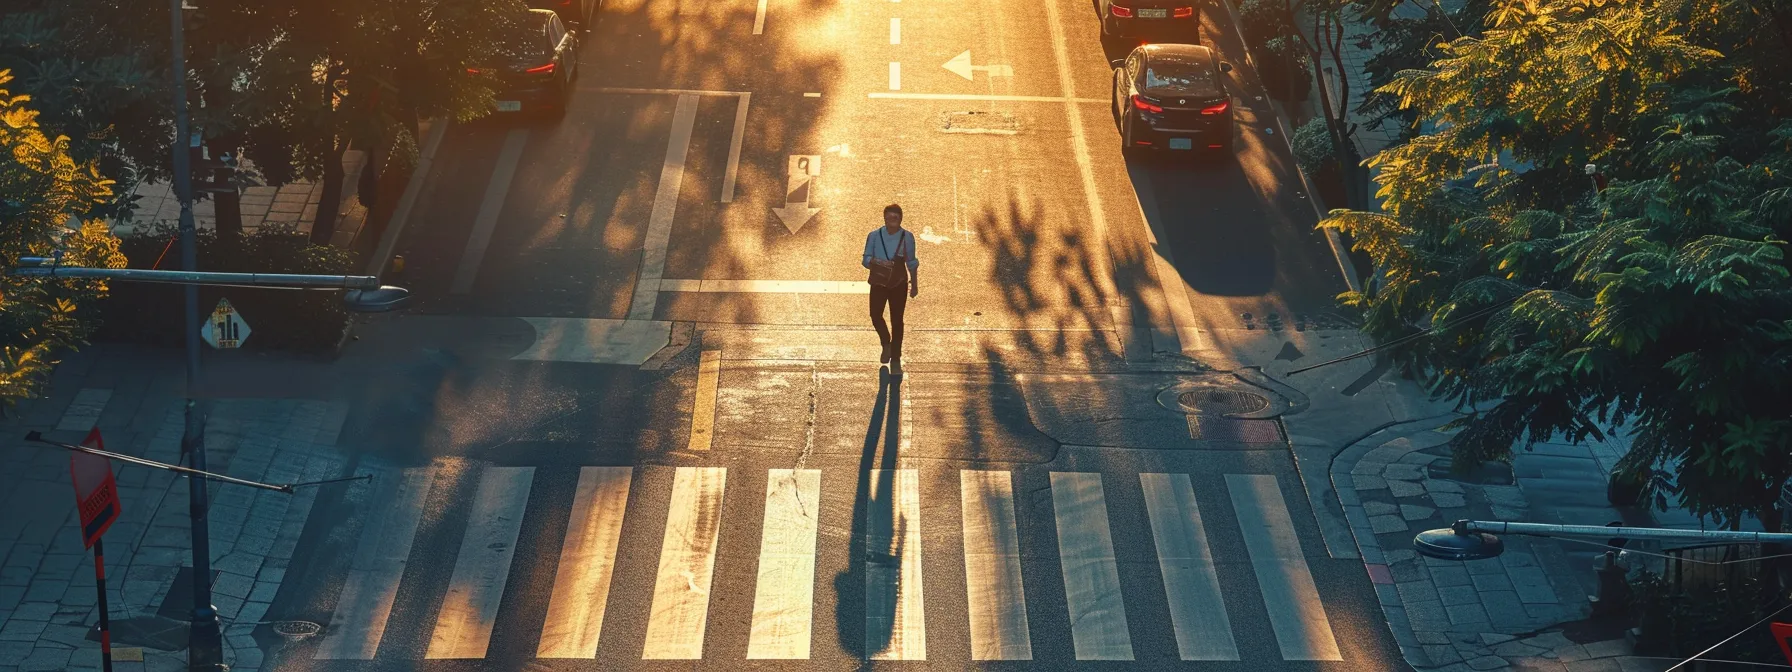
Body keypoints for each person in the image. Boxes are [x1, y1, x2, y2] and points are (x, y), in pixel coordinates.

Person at [862, 204, 918, 375]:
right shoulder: (874, 236)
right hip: (879, 282)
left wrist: (914, 284)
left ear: (900, 219)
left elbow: (912, 263)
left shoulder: (907, 237)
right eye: (888, 218)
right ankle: (886, 342)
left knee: (897, 320)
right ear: (884, 218)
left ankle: (895, 356)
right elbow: (865, 259)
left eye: (895, 218)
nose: (891, 221)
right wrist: (877, 262)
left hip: (898, 283)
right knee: (875, 315)